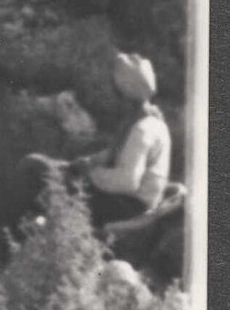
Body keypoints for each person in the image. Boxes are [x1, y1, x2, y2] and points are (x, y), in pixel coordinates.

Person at [10, 51, 172, 234]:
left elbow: (128, 181)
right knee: (38, 165)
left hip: (126, 205)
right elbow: (119, 154)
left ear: (125, 96)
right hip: (125, 199)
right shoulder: (147, 121)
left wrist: (91, 174)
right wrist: (89, 162)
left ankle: (11, 239)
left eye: (116, 93)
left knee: (34, 169)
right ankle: (26, 236)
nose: (113, 98)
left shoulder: (142, 130)